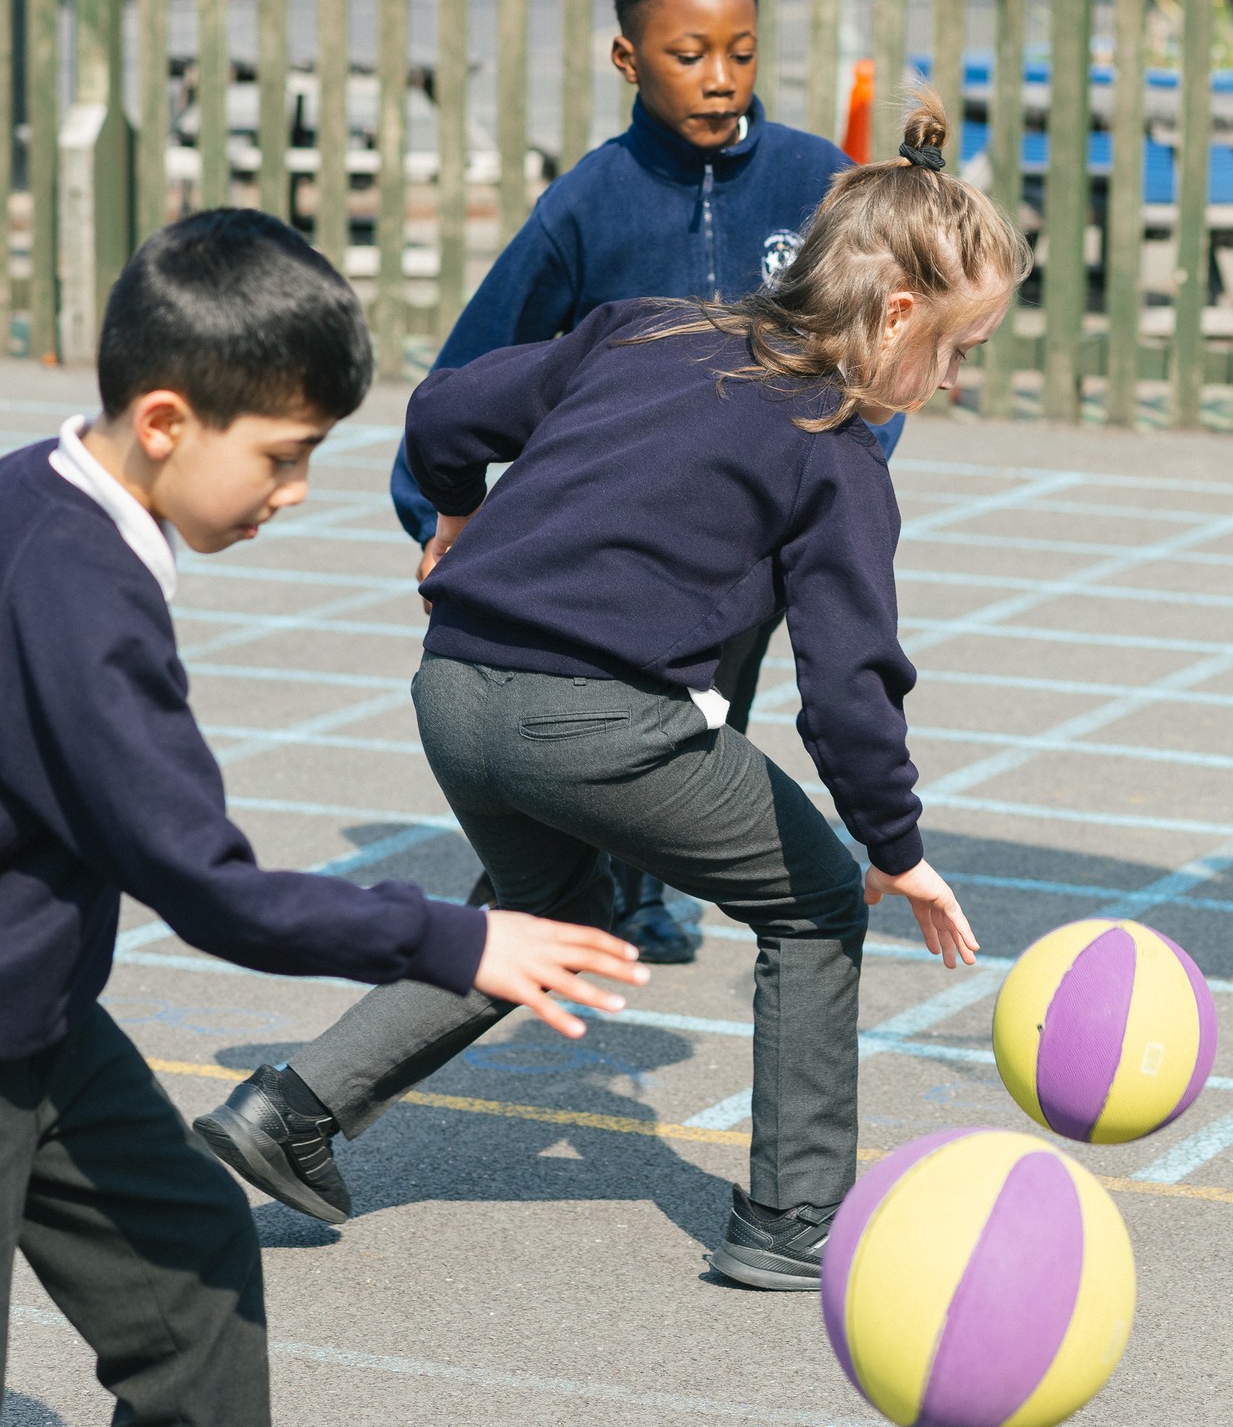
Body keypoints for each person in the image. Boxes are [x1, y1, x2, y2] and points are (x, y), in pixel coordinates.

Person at [0, 210, 644, 1427]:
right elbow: (208, 885)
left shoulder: (39, 490)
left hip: (26, 1007)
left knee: (193, 1275)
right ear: (165, 422)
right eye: (281, 455)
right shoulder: (75, 599)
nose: (296, 492)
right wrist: (459, 942)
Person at [197, 94, 1005, 1291]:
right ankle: (789, 1223)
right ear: (893, 315)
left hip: (453, 690)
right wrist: (893, 844)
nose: (951, 379)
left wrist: (455, 508)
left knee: (542, 913)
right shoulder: (833, 450)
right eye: (954, 352)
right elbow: (847, 687)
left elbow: (443, 406)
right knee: (816, 904)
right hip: (593, 723)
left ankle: (291, 1109)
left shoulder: (645, 330)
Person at [396, 0, 873, 963]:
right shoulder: (587, 203)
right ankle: (585, 888)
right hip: (608, 534)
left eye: (741, 54)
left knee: (708, 718)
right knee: (608, 714)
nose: (720, 80)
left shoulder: (815, 180)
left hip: (748, 531)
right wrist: (441, 512)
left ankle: (642, 884)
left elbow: (882, 331)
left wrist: (851, 462)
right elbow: (473, 367)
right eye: (688, 55)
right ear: (628, 58)